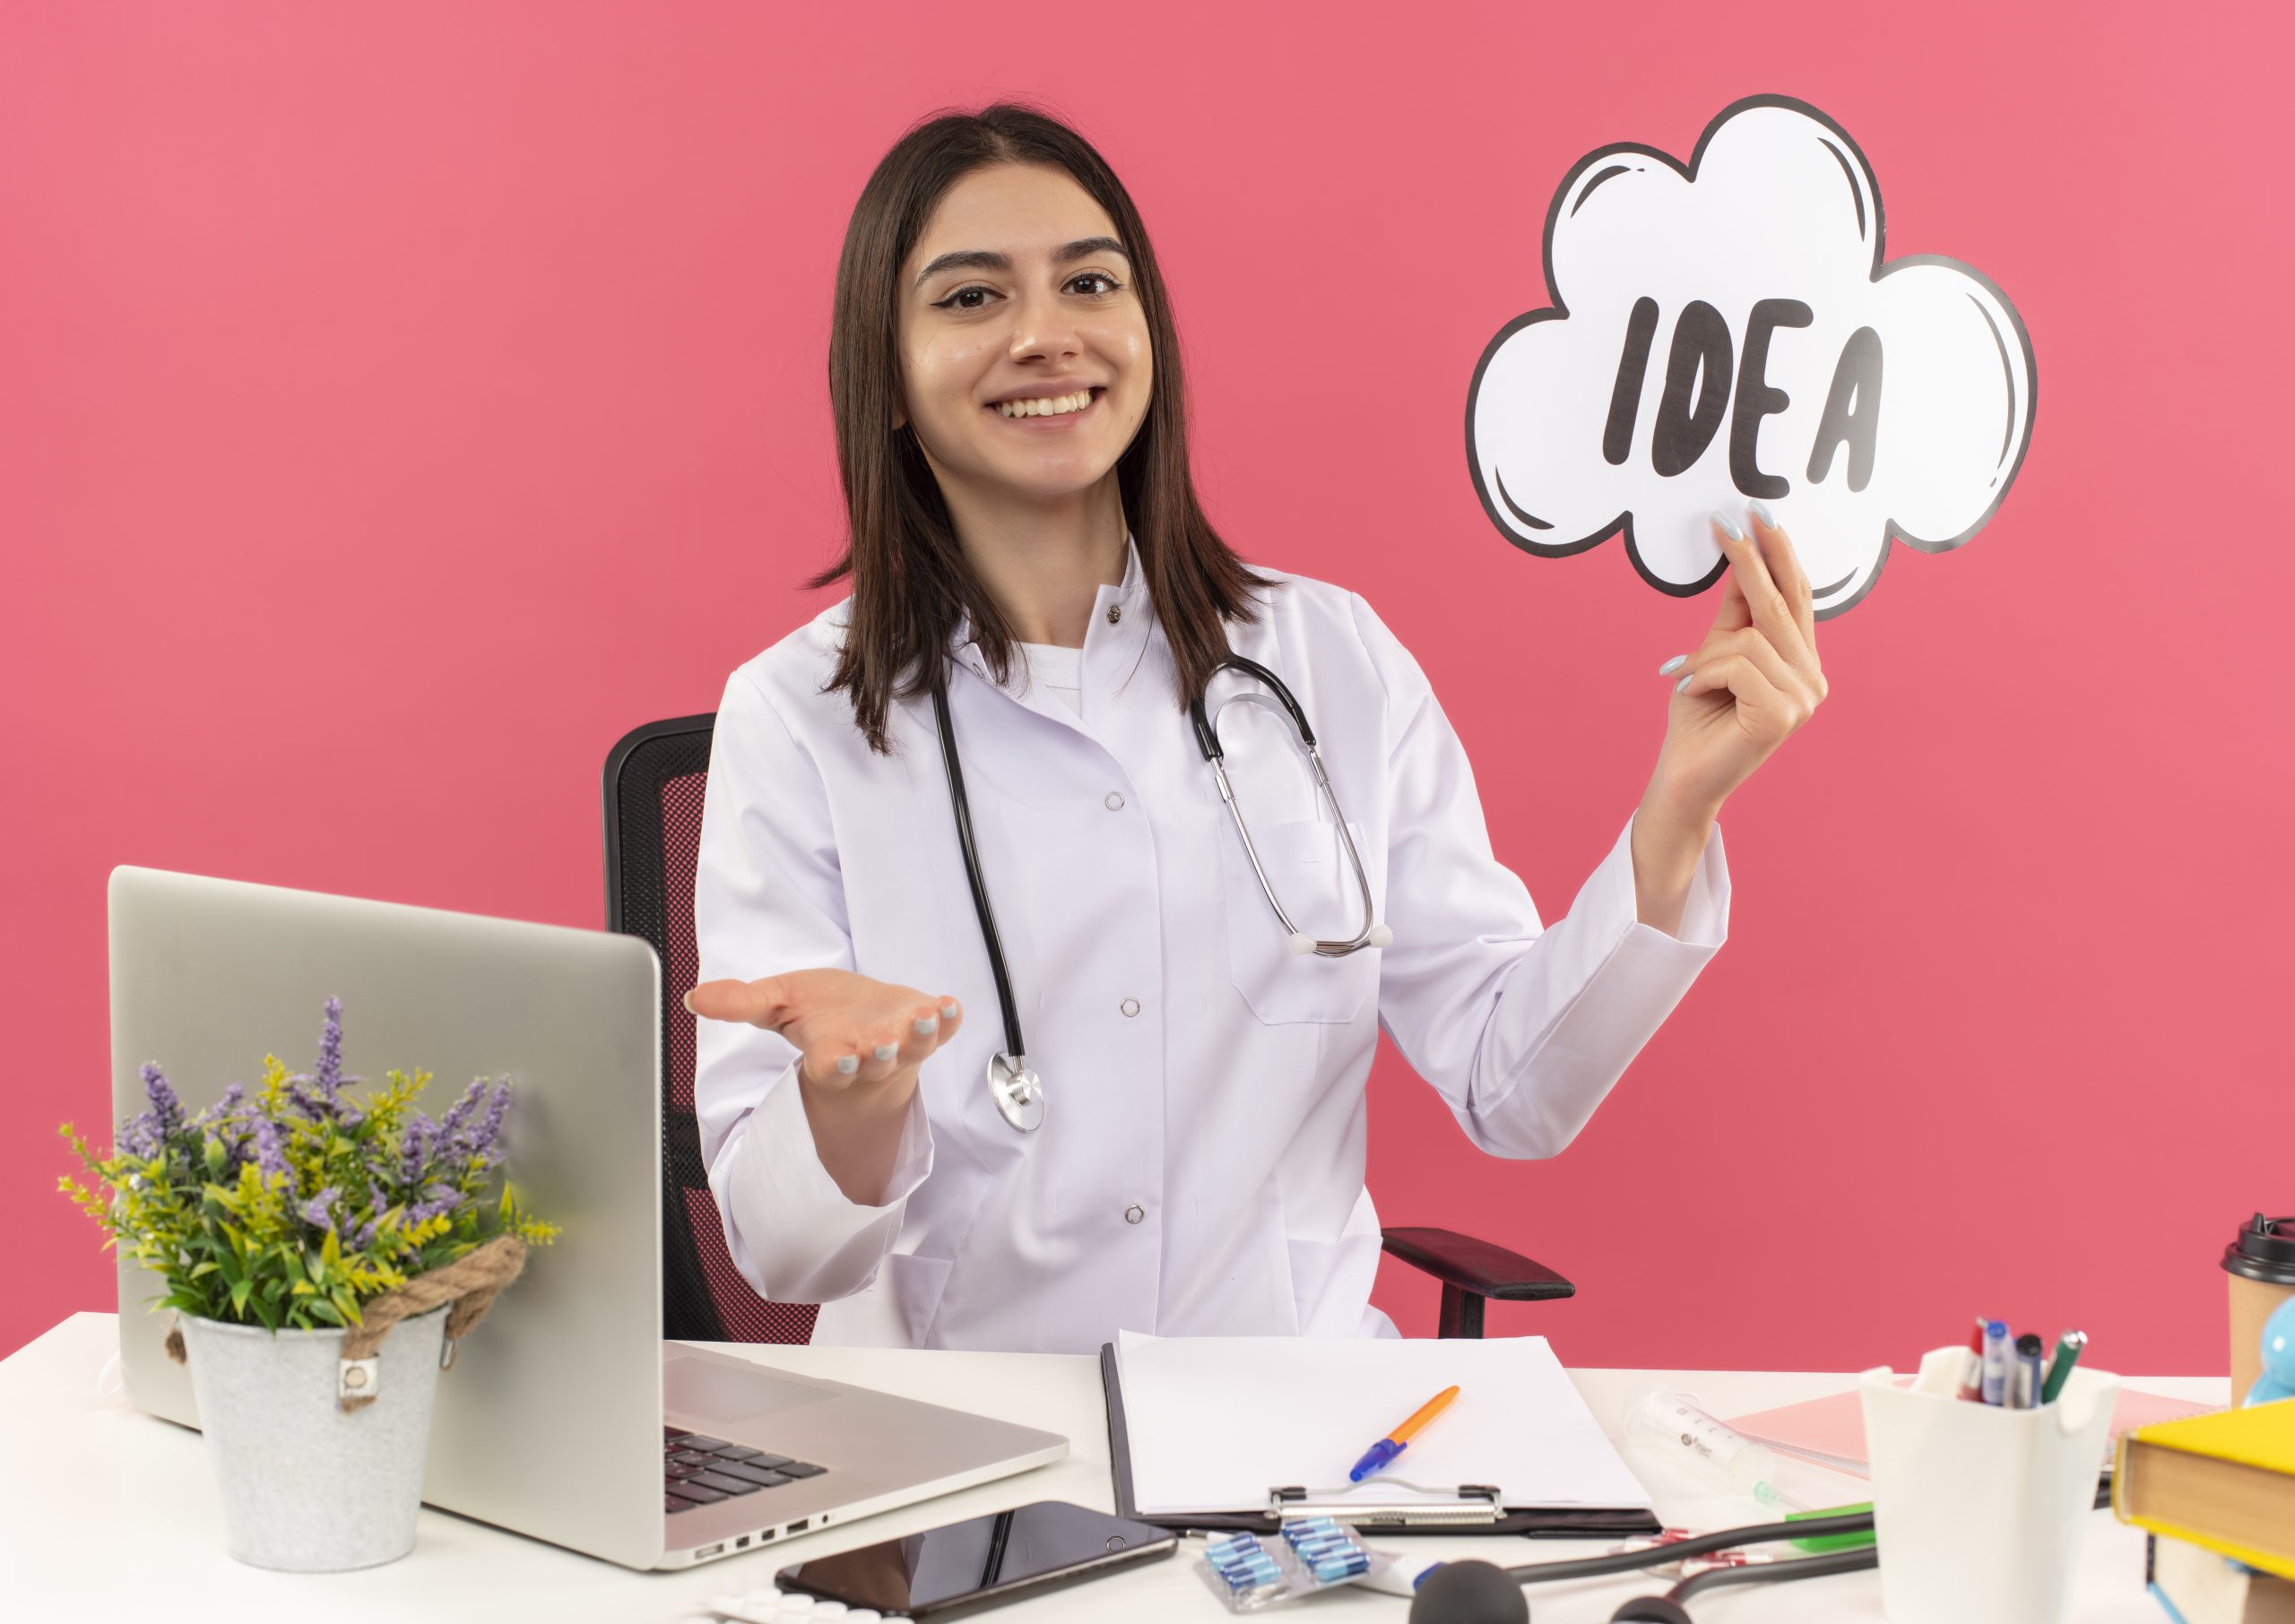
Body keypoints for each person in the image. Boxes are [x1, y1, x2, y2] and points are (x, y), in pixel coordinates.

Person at [683, 103, 1827, 1352]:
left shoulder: (1333, 662)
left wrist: (1677, 815)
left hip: (1290, 1447)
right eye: (969, 299)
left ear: (1147, 335)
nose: (1044, 335)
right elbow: (784, 1255)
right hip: (965, 1467)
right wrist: (852, 1097)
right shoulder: (798, 715)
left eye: (1089, 282)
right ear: (887, 374)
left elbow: (1518, 1089)